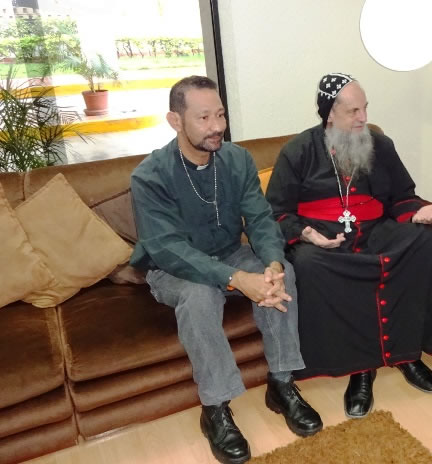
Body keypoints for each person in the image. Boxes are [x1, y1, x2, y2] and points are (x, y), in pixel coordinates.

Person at [130, 76, 322, 464]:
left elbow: (260, 218)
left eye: (220, 114)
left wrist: (270, 262)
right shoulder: (150, 176)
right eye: (204, 117)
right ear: (175, 121)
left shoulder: (237, 159)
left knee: (283, 271)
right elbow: (168, 249)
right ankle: (215, 408)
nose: (217, 126)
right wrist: (236, 279)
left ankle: (281, 384)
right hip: (173, 268)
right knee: (200, 295)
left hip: (230, 252)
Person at [265, 73, 432, 419]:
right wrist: (306, 233)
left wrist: (416, 213)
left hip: (375, 229)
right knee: (308, 264)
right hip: (323, 238)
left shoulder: (380, 145)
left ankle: (407, 353)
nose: (363, 118)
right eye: (353, 111)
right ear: (329, 113)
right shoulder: (298, 151)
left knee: (424, 242)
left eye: (365, 108)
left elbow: (402, 196)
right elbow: (275, 212)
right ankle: (360, 370)